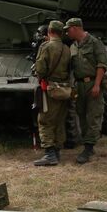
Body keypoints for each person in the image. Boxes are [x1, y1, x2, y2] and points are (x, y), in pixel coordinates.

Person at [64, 18, 107, 164]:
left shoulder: (95, 43)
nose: (67, 32)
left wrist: (97, 85)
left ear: (76, 28)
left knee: (94, 115)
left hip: (92, 84)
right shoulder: (73, 46)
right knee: (81, 114)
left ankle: (88, 148)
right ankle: (87, 143)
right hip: (79, 85)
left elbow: (102, 65)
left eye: (68, 29)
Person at [33, 20, 71, 166]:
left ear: (49, 31)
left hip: (49, 89)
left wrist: (40, 77)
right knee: (59, 121)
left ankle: (49, 154)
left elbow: (40, 69)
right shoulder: (66, 48)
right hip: (64, 89)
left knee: (45, 120)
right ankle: (57, 152)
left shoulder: (46, 46)